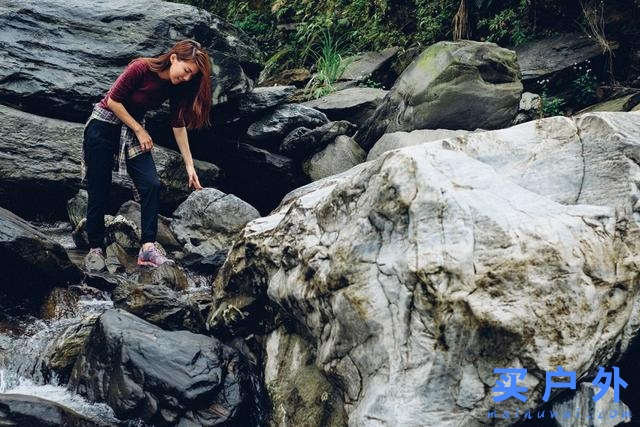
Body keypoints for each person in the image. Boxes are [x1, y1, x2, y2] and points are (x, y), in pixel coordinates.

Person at [82, 39, 212, 271]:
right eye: (186, 71)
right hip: (104, 124)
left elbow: (178, 124)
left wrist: (190, 166)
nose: (186, 78)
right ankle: (95, 248)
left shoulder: (178, 86)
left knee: (151, 184)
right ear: (174, 58)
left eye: (191, 76)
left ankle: (148, 249)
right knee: (99, 186)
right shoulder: (140, 67)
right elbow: (113, 101)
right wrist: (140, 130)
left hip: (132, 129)